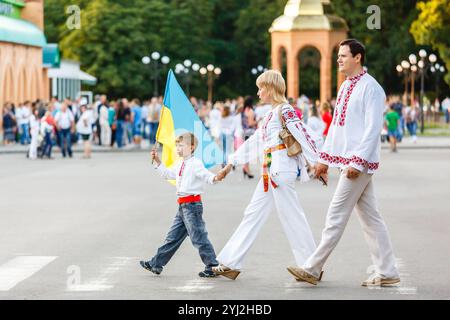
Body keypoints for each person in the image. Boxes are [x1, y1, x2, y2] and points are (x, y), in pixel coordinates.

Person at [288, 39, 400, 287]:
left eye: (343, 55)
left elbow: (372, 130)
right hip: (347, 163)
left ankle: (313, 268)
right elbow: (337, 129)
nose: (338, 59)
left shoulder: (372, 89)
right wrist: (324, 161)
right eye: (338, 55)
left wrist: (357, 162)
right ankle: (388, 271)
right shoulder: (346, 86)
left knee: (335, 215)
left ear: (358, 57)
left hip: (358, 165)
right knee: (371, 218)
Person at [212, 70, 324, 280]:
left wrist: (318, 162)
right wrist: (231, 163)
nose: (258, 91)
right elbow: (255, 141)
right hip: (271, 169)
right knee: (252, 214)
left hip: (281, 169)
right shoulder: (271, 113)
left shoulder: (285, 110)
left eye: (261, 87)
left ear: (271, 88)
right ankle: (230, 262)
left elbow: (303, 134)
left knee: (292, 217)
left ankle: (311, 266)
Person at [140, 133, 231, 278]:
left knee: (198, 237)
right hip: (182, 206)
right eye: (177, 145)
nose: (178, 148)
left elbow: (207, 176)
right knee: (172, 237)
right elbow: (168, 174)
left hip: (192, 205)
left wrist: (216, 177)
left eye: (181, 145)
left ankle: (212, 265)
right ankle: (156, 264)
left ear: (192, 147)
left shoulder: (195, 163)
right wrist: (157, 161)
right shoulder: (180, 163)